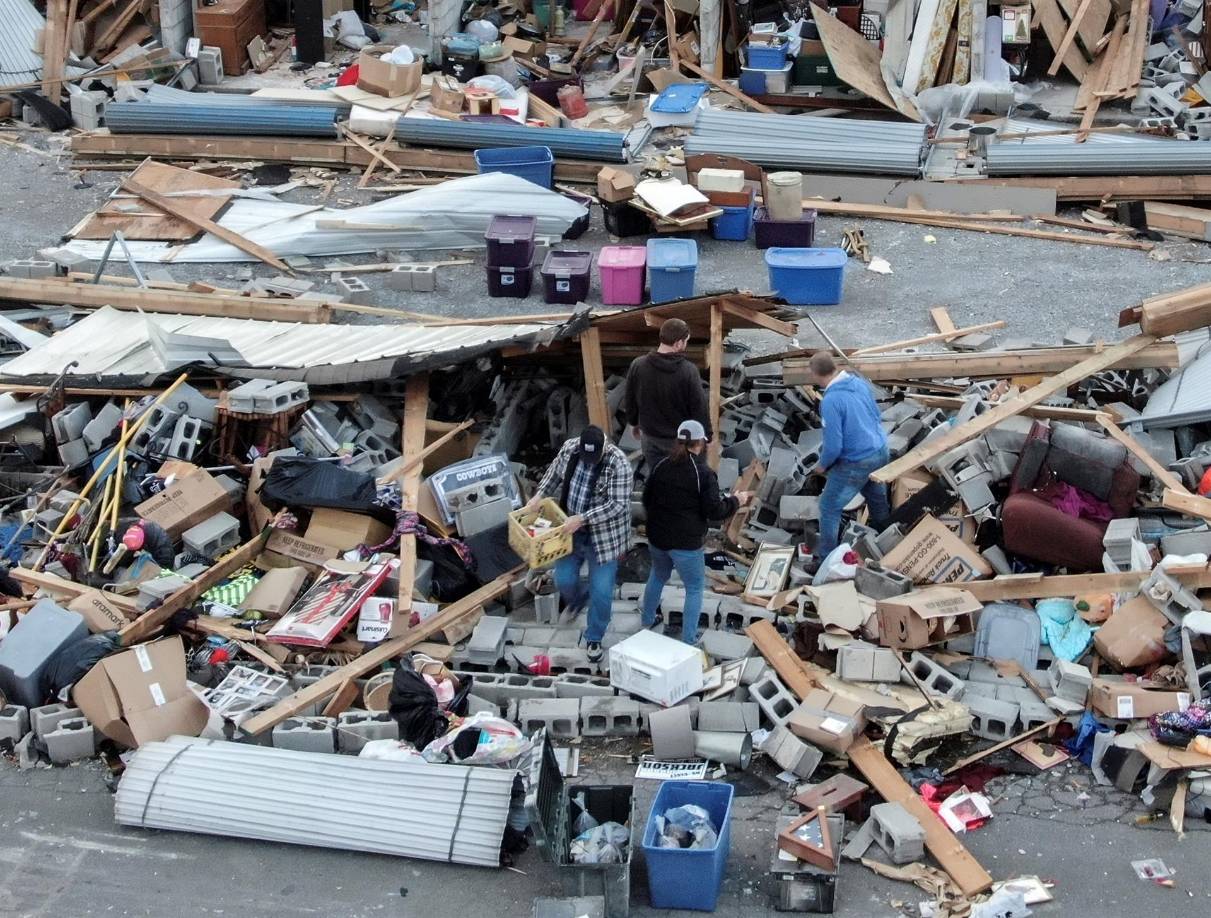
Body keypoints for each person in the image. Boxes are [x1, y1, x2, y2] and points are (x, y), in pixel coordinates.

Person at [525, 425, 632, 663]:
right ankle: (577, 600)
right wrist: (539, 495)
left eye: (594, 458)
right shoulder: (570, 448)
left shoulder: (619, 464)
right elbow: (553, 474)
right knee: (563, 579)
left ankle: (594, 637)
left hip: (604, 537)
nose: (589, 462)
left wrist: (583, 518)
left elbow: (617, 504)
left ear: (605, 447)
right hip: (569, 530)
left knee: (602, 592)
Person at [641, 420, 752, 645]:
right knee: (694, 588)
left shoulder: (661, 464)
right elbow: (715, 511)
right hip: (685, 545)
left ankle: (647, 620)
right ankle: (689, 639)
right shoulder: (703, 473)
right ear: (701, 442)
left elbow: (646, 499)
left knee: (658, 575)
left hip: (657, 538)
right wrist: (736, 501)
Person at [805, 351, 891, 562]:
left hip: (856, 461)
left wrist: (822, 466)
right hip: (880, 450)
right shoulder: (858, 383)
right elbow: (876, 415)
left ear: (815, 375)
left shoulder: (831, 400)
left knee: (829, 506)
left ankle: (826, 559)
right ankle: (888, 541)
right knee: (876, 498)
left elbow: (834, 445)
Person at [624, 317, 712, 471]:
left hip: (651, 440)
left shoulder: (638, 365)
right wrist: (707, 436)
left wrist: (633, 423)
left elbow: (630, 399)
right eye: (686, 341)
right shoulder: (688, 371)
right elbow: (699, 407)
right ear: (678, 343)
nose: (686, 345)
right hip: (682, 443)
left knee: (660, 480)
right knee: (687, 483)